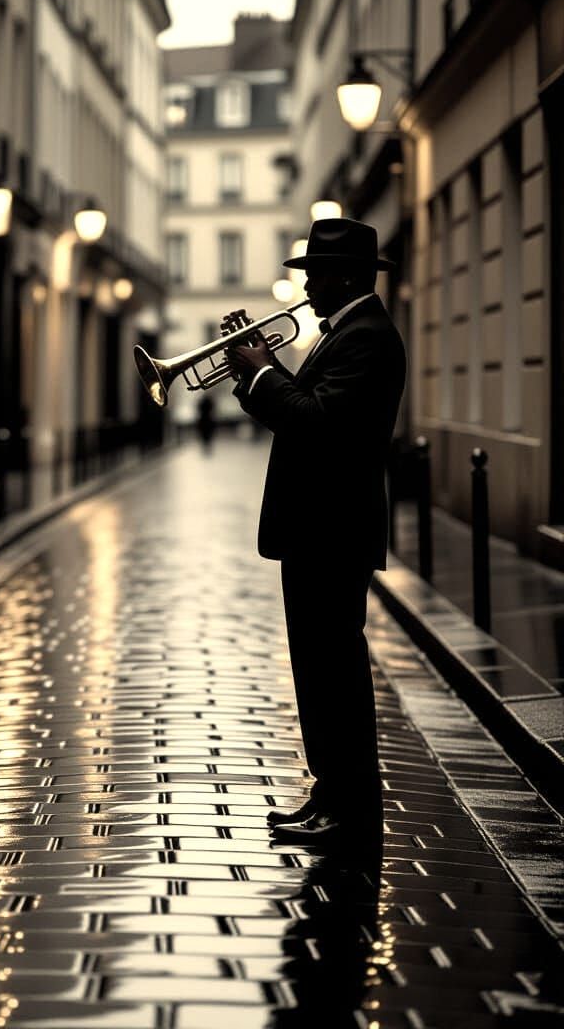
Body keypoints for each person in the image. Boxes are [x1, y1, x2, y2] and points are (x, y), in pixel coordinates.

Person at [225, 218, 406, 845]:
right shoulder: (347, 335)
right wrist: (257, 373)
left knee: (335, 674)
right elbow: (297, 413)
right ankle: (329, 791)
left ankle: (350, 806)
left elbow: (317, 423)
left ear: (347, 276)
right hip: (317, 530)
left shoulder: (367, 337)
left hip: (332, 531)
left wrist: (264, 373)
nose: (307, 287)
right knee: (316, 669)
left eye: (316, 276)